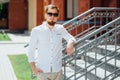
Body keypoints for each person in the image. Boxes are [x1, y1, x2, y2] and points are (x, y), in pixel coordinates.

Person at [28, 4, 76, 80]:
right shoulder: (36, 30)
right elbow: (31, 51)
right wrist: (34, 69)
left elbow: (71, 38)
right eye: (49, 14)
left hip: (57, 72)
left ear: (58, 16)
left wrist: (70, 43)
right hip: (42, 72)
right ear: (45, 15)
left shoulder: (60, 28)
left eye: (55, 14)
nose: (52, 17)